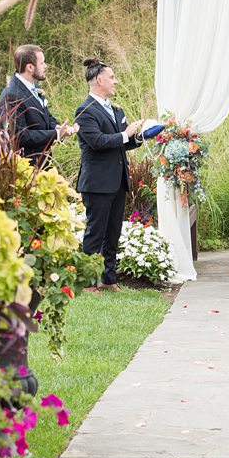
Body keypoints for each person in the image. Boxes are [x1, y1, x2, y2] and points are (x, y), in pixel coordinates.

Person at [74, 58, 144, 293]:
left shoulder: (115, 110)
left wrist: (139, 137)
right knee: (95, 233)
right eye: (112, 77)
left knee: (113, 232)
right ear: (99, 80)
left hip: (117, 181)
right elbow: (97, 142)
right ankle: (87, 282)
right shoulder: (84, 111)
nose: (116, 81)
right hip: (97, 182)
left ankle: (108, 278)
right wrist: (125, 134)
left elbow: (120, 144)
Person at [0, 44, 76, 167]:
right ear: (29, 67)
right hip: (25, 168)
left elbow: (46, 117)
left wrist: (59, 128)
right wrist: (57, 134)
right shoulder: (11, 95)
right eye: (42, 63)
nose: (46, 66)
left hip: (43, 163)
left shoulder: (35, 88)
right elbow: (19, 136)